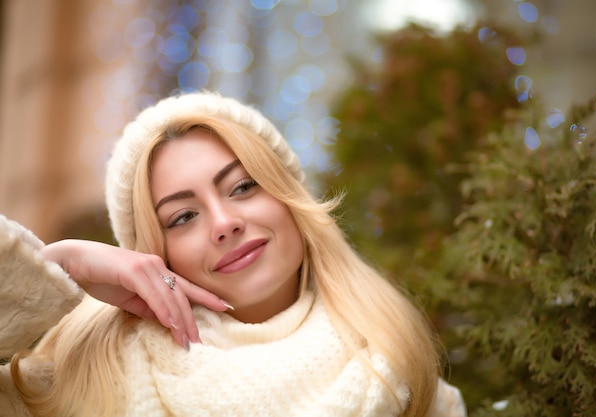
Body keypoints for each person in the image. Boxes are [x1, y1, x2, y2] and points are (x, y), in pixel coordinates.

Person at [0, 91, 466, 417]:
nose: (224, 224)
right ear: (155, 255)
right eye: (183, 217)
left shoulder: (405, 375)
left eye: (243, 187)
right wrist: (58, 269)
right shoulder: (85, 374)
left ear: (288, 197)